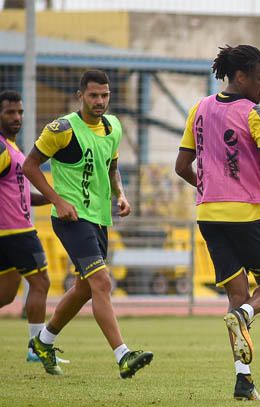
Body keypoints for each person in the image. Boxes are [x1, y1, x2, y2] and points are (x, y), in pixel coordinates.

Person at [22, 70, 153, 378]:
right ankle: (123, 356)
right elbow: (29, 166)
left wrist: (121, 194)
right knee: (102, 283)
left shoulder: (114, 127)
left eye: (105, 95)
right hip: (71, 220)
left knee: (84, 288)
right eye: (94, 95)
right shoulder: (62, 129)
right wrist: (57, 200)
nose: (100, 101)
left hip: (99, 219)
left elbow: (112, 167)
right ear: (80, 95)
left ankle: (44, 341)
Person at [175, 45, 260, 400]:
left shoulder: (199, 108)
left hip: (208, 214)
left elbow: (181, 167)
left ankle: (243, 380)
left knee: (235, 297)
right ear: (241, 77)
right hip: (247, 213)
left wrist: (210, 185)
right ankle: (247, 315)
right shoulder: (257, 114)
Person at [0, 90, 56, 363]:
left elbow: (17, 193)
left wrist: (52, 198)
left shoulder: (14, 148)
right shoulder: (1, 149)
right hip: (16, 232)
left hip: (10, 233)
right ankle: (36, 348)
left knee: (7, 293)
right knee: (41, 281)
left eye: (20, 112)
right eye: (10, 112)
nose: (17, 117)